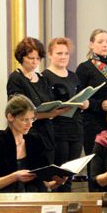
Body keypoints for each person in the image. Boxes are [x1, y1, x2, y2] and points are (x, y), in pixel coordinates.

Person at [0, 95, 67, 192]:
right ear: (10, 117)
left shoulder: (35, 140)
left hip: (33, 197)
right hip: (6, 199)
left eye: (32, 119)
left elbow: (43, 183)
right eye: (24, 120)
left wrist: (57, 182)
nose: (30, 125)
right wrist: (15, 176)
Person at [7, 37, 65, 166]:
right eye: (31, 58)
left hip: (47, 133)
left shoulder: (42, 77)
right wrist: (48, 115)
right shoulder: (16, 78)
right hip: (28, 133)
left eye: (38, 59)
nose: (35, 62)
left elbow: (50, 101)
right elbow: (18, 110)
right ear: (22, 57)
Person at [45, 37, 87, 165]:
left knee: (71, 172)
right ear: (50, 55)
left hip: (76, 129)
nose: (63, 57)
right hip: (57, 130)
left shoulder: (73, 76)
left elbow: (83, 97)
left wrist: (85, 103)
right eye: (59, 53)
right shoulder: (45, 77)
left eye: (66, 53)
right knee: (59, 171)